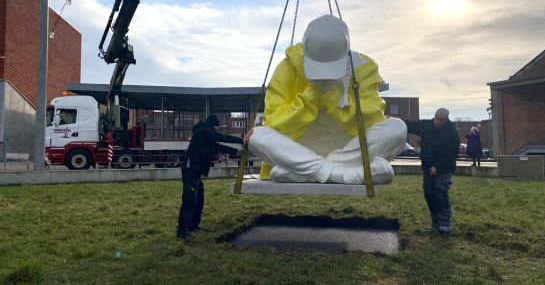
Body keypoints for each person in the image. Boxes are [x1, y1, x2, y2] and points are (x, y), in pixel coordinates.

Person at [245, 14, 407, 185]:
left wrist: (332, 95)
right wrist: (312, 93)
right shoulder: (288, 67)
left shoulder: (363, 67)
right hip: (297, 149)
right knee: (256, 136)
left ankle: (307, 173)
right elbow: (275, 123)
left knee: (397, 127)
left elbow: (372, 119)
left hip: (347, 150)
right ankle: (343, 175)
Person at [176, 114, 252, 239]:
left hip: (196, 171)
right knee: (190, 200)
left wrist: (236, 151)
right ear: (213, 126)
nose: (216, 130)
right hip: (191, 170)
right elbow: (222, 138)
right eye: (216, 127)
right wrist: (242, 140)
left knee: (199, 200)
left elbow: (217, 146)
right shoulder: (203, 131)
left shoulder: (205, 134)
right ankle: (182, 230)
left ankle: (193, 226)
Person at [404, 108, 460, 235]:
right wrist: (393, 121)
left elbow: (451, 154)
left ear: (446, 119)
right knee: (429, 194)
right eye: (436, 119)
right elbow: (410, 125)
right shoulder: (426, 125)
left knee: (441, 193)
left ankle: (445, 223)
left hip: (443, 169)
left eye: (441, 120)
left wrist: (438, 168)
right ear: (434, 116)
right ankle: (435, 222)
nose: (438, 122)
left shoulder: (451, 132)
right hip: (428, 168)